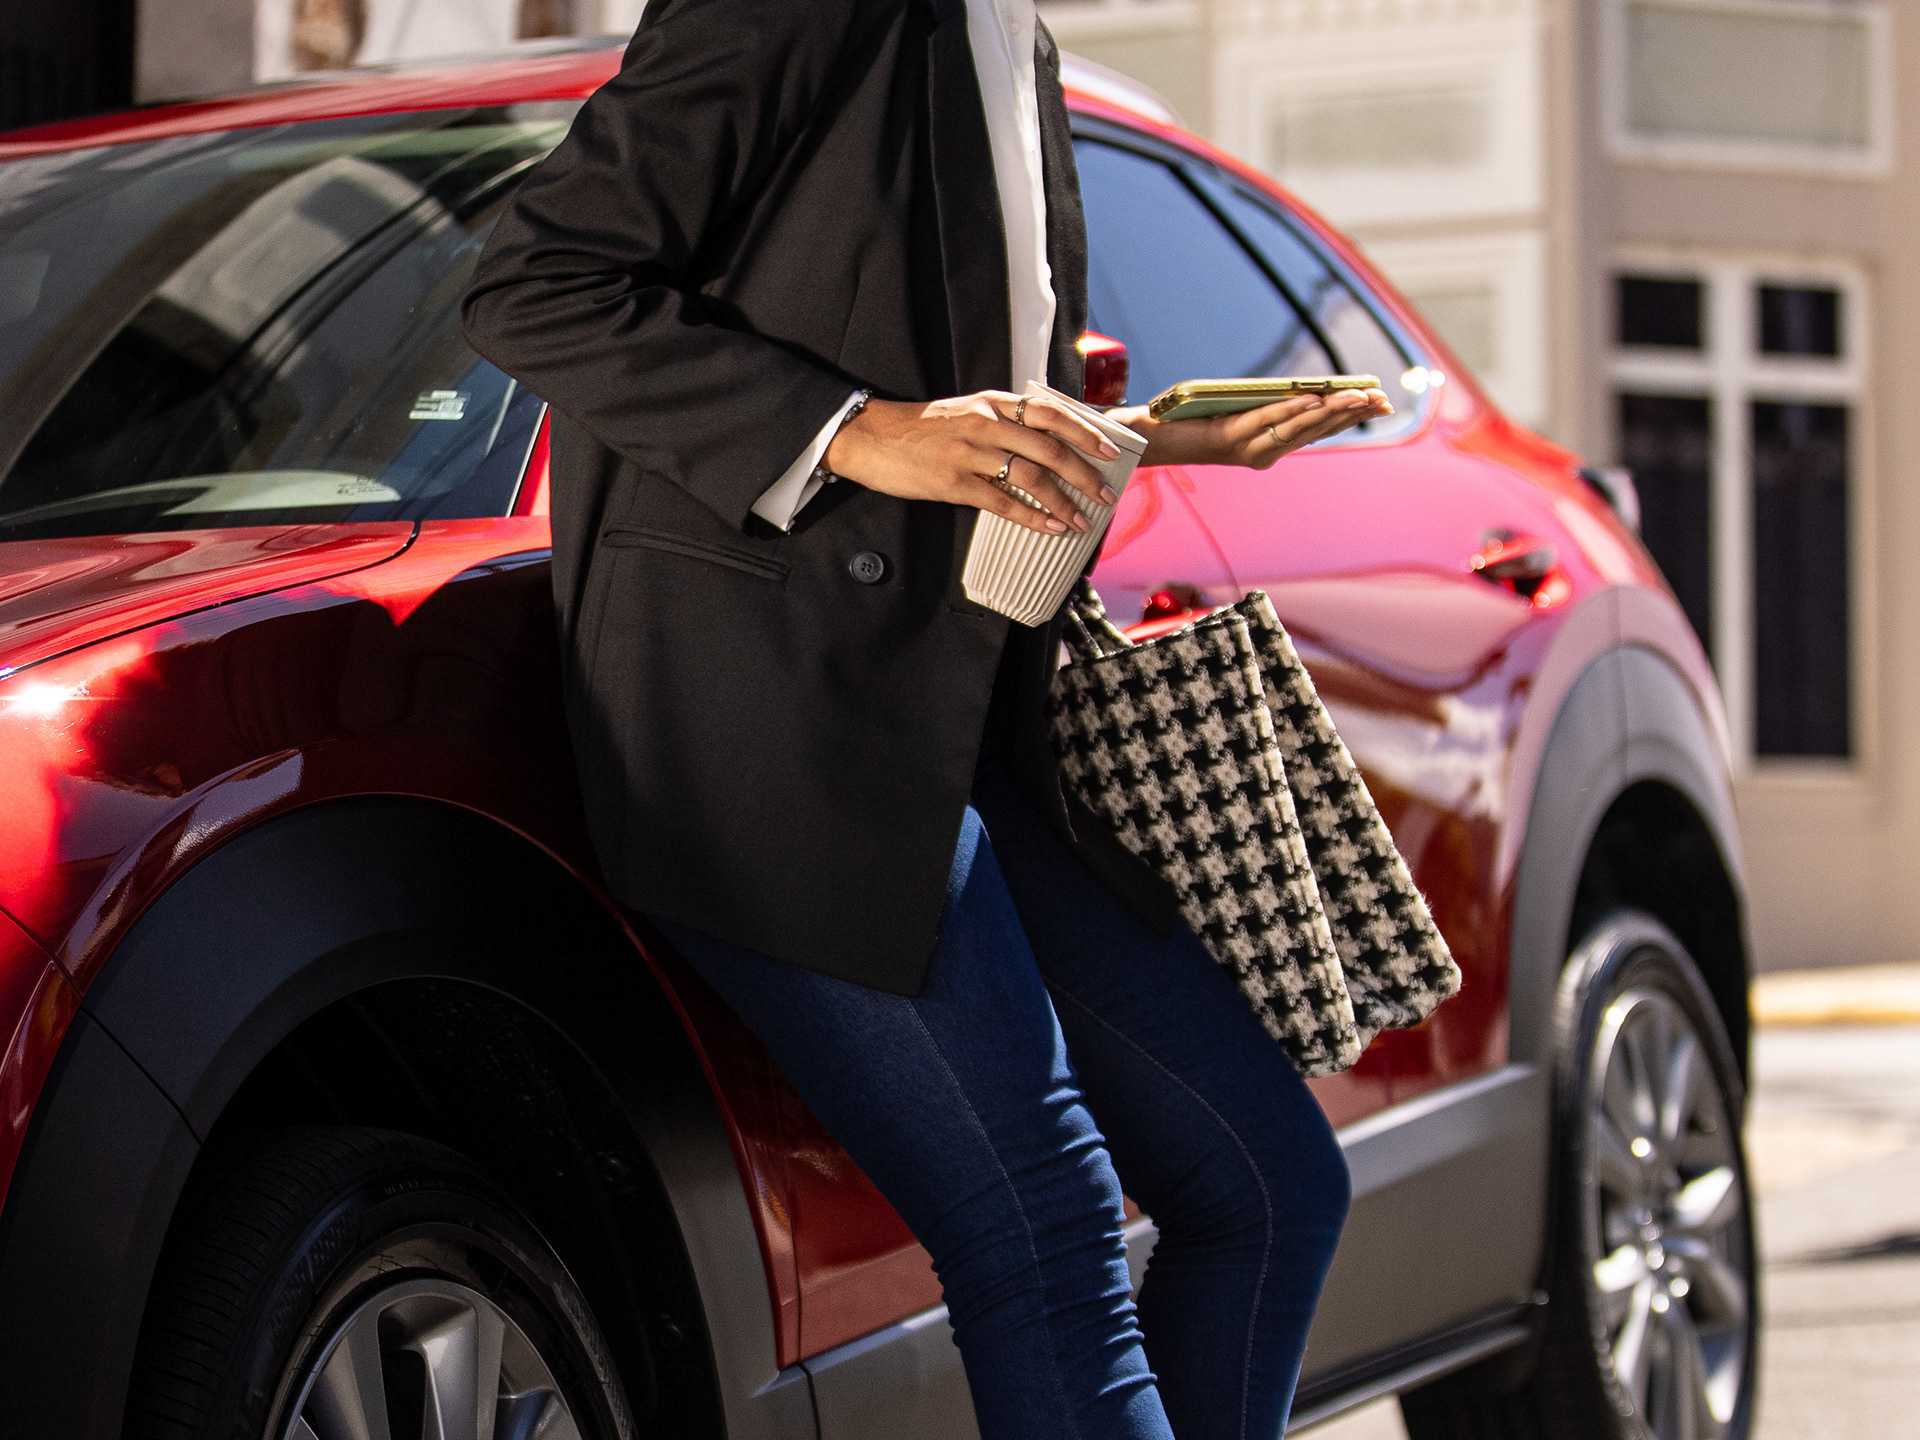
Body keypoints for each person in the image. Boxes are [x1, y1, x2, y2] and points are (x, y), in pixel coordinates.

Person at [462, 2, 1391, 1435]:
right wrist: (859, 430)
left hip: (966, 715)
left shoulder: (1011, 39)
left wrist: (1156, 433)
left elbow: (956, 388)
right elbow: (535, 284)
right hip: (779, 725)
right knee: (1043, 1229)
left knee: (1267, 1183)